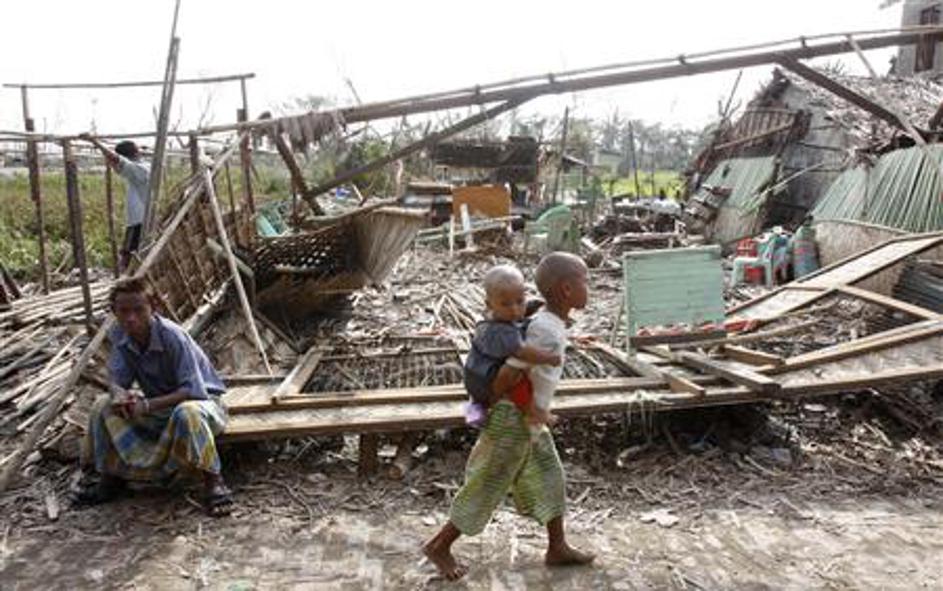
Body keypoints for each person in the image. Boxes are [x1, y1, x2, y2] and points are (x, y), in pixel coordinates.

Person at [424, 252, 595, 581]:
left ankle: (557, 546)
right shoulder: (544, 331)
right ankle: (439, 545)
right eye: (585, 281)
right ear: (566, 289)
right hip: (512, 418)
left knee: (550, 475)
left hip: (526, 418)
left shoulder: (549, 322)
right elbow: (506, 376)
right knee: (488, 483)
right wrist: (506, 404)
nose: (589, 287)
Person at [76, 278, 233, 516]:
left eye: (138, 310)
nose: (131, 318)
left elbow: (191, 390)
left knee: (187, 412)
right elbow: (117, 380)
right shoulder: (121, 334)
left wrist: (146, 405)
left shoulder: (172, 336)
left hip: (204, 406)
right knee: (103, 405)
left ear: (154, 308)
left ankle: (214, 480)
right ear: (114, 312)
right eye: (123, 311)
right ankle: (111, 477)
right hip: (162, 408)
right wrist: (119, 395)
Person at [463, 265, 561, 428]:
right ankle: (533, 412)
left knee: (477, 398)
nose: (514, 310)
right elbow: (522, 352)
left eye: (520, 301)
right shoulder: (499, 331)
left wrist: (532, 306)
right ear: (489, 304)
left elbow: (517, 313)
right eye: (505, 304)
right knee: (518, 379)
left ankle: (475, 406)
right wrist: (549, 358)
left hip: (473, 375)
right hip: (487, 380)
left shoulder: (496, 316)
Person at [80, 134, 151, 271]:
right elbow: (118, 163)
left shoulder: (139, 170)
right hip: (140, 218)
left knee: (129, 256)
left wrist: (95, 142)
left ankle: (127, 277)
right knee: (132, 254)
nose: (112, 167)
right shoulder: (141, 168)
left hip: (140, 220)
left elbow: (117, 160)